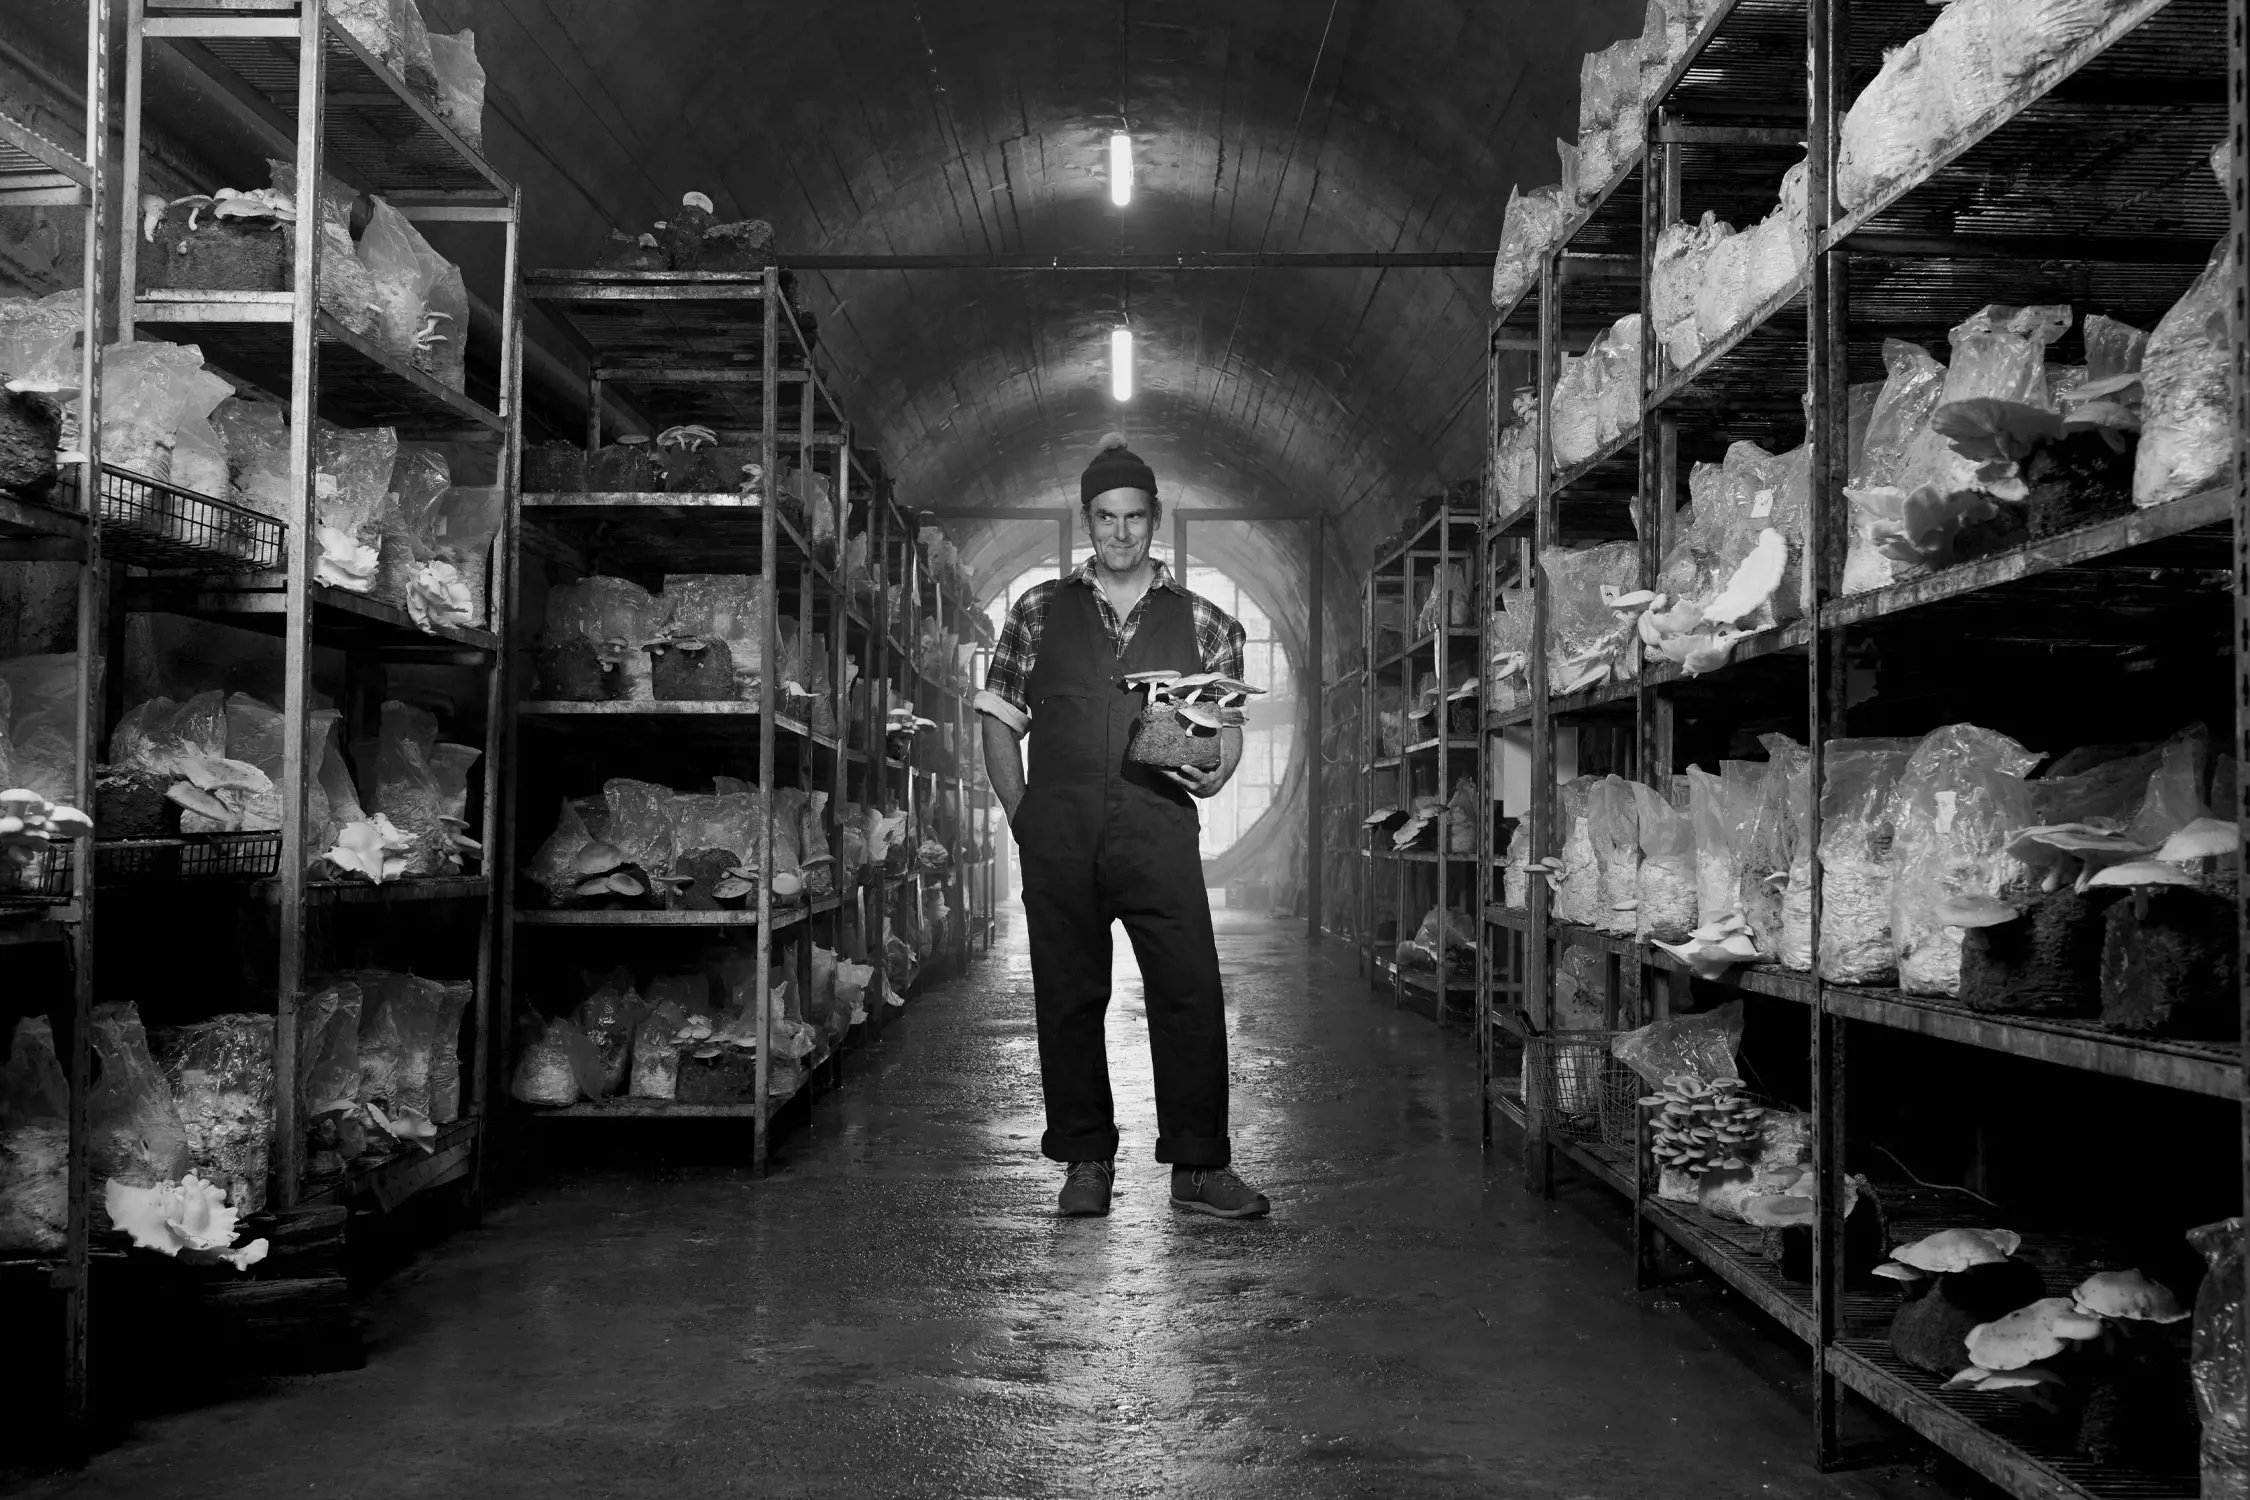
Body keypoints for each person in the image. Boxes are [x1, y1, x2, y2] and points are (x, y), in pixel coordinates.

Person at [975, 433, 1271, 1220]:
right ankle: (1085, 1160)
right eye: (1105, 516)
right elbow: (999, 719)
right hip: (1060, 835)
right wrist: (1023, 814)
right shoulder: (1038, 610)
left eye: (1134, 516)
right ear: (1086, 519)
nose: (1119, 532)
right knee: (1069, 998)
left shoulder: (1205, 621)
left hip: (1157, 831)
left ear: (1155, 519)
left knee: (1191, 990)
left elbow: (1229, 726)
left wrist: (1219, 767)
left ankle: (1200, 1169)